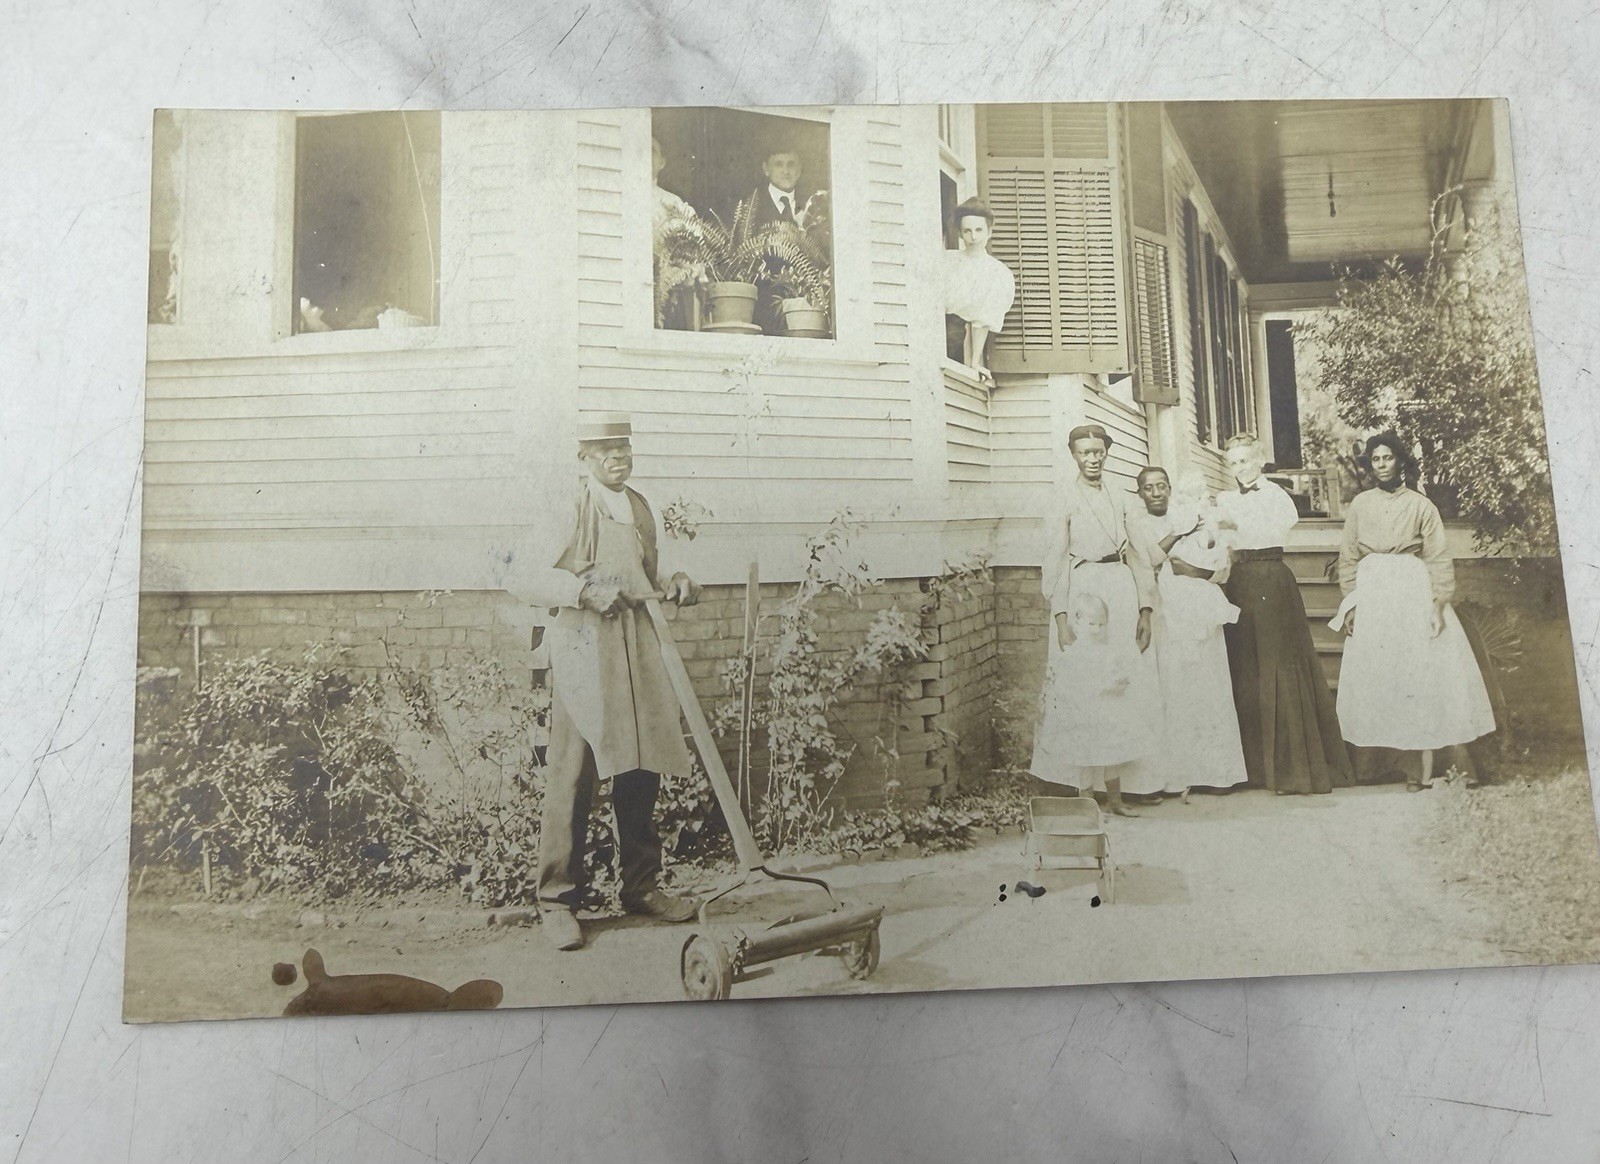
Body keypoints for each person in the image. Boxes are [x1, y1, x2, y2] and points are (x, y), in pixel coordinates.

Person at [502, 414, 703, 951]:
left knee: (643, 764)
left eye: (624, 448)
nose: (618, 458)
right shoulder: (569, 506)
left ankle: (640, 888)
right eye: (605, 450)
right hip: (586, 648)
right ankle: (556, 900)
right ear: (583, 458)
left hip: (638, 644)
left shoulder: (638, 507)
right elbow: (518, 574)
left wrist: (677, 581)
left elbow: (647, 574)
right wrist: (581, 592)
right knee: (576, 771)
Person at [1330, 433, 1496, 791]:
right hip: (1373, 593)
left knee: (1422, 673)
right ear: (1370, 465)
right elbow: (1348, 558)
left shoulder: (1422, 505)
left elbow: (1437, 556)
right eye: (1376, 459)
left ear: (1400, 461)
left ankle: (1428, 769)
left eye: (1388, 457)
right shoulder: (1359, 505)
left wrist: (1439, 604)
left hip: (1410, 588)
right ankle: (1389, 765)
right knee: (1386, 676)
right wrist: (1351, 605)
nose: (1383, 464)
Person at [1031, 424, 1163, 815]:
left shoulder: (1121, 497)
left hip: (1120, 588)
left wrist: (1145, 609)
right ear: (1073, 455)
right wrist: (1059, 615)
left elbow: (1141, 553)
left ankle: (1131, 785)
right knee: (1080, 683)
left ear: (1107, 453)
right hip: (1081, 587)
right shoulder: (1062, 497)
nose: (1093, 459)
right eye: (1084, 452)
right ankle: (1076, 787)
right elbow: (1055, 556)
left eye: (1099, 452)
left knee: (1123, 680)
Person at [1215, 433, 1352, 794]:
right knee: (1245, 667)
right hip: (1239, 582)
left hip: (1273, 580)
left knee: (1278, 666)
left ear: (1259, 461)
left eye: (1244, 460)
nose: (1238, 468)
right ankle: (1253, 769)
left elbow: (1276, 530)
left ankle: (1290, 768)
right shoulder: (1224, 500)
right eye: (1232, 462)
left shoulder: (1277, 497)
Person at [1130, 466, 1250, 800]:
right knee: (1174, 688)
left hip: (1200, 611)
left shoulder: (1197, 520)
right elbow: (1148, 563)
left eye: (1162, 486)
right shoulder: (1139, 526)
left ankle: (1214, 771)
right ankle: (1176, 774)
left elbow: (1222, 570)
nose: (1156, 492)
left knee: (1208, 684)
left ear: (1170, 489)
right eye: (1149, 487)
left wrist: (1195, 569)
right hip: (1166, 611)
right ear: (1140, 493)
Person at [1036, 592, 1145, 777]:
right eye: (1091, 624)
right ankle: (1087, 800)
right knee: (1084, 761)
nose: (1097, 630)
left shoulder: (1108, 653)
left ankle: (1114, 801)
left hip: (1107, 714)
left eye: (1101, 625)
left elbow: (1116, 676)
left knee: (1112, 756)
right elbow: (1065, 685)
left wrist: (1120, 682)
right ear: (1077, 625)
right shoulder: (1072, 656)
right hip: (1083, 716)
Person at [740, 143, 829, 335]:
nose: (786, 171)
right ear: (766, 169)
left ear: (799, 169)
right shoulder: (750, 210)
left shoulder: (813, 206)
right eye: (779, 164)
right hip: (764, 312)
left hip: (805, 313)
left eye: (791, 164)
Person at [942, 198, 1016, 383]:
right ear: (959, 233)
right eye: (967, 231)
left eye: (979, 230)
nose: (973, 237)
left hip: (961, 348)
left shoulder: (996, 273)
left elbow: (981, 320)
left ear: (989, 232)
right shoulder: (946, 262)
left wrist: (974, 361)